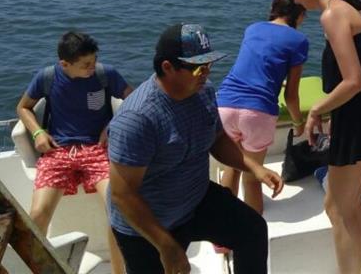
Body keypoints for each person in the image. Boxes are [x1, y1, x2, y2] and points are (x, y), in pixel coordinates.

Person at [106, 23, 284, 274]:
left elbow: (218, 138)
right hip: (148, 226)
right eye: (199, 67)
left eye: (210, 65)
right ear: (168, 67)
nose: (206, 73)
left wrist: (254, 167)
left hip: (195, 200)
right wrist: (166, 247)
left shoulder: (204, 91)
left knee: (252, 230)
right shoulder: (137, 119)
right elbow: (123, 195)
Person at [284, 0, 361, 274]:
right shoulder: (343, 9)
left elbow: (353, 80)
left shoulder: (332, 15)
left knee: (341, 209)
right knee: (345, 204)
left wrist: (317, 108)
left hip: (359, 116)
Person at [16, 31, 133, 274]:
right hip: (59, 152)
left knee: (117, 208)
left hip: (97, 150)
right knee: (36, 215)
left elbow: (133, 100)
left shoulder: (105, 74)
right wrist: (38, 133)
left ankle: (119, 271)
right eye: (86, 65)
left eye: (94, 60)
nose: (93, 67)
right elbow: (23, 107)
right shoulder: (47, 77)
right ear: (64, 64)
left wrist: (113, 126)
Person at [218, 0, 309, 215]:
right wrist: (299, 123)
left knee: (233, 166)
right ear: (298, 14)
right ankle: (250, 236)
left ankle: (222, 235)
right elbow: (291, 96)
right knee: (252, 178)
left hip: (224, 104)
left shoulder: (253, 28)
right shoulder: (299, 40)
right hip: (257, 113)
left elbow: (257, 65)